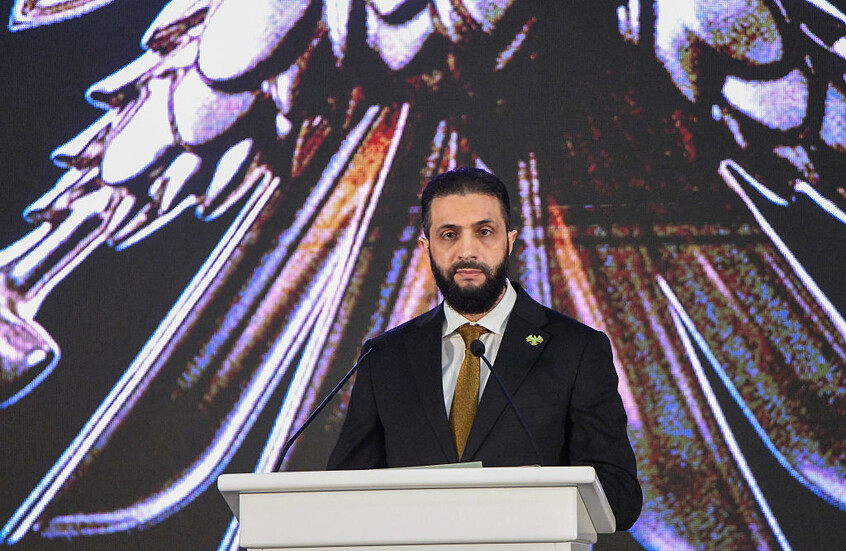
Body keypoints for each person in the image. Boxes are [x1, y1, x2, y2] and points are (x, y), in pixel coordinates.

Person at [327, 167, 642, 530]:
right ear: (426, 247)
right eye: (449, 235)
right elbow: (340, 493)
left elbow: (620, 496)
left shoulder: (576, 350)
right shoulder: (384, 357)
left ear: (510, 240)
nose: (467, 250)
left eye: (484, 232)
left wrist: (544, 493)